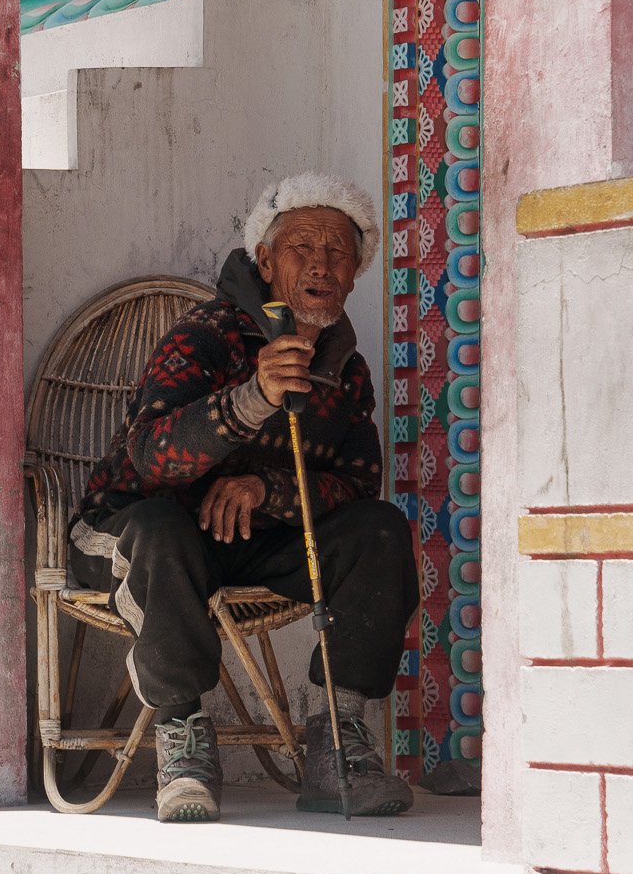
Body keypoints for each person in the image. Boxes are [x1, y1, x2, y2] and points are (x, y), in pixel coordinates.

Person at [69, 172, 419, 822]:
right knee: (160, 529)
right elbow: (151, 458)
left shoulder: (345, 368)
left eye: (338, 252)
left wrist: (269, 490)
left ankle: (337, 744)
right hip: (132, 532)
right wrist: (248, 401)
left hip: (254, 540)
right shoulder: (206, 334)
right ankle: (182, 738)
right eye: (302, 248)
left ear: (354, 273)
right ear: (265, 261)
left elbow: (356, 481)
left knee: (380, 530)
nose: (321, 263)